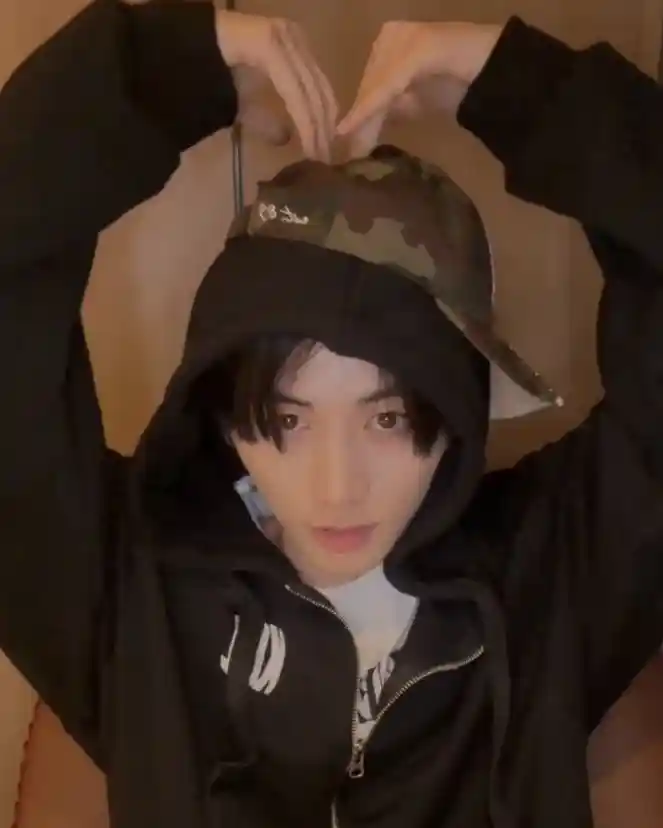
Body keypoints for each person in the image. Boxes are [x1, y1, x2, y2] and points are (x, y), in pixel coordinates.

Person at [1, 2, 662, 828]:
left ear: (456, 410)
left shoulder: (550, 572)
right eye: (287, 420)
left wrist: (524, 89)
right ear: (223, 416)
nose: (336, 487)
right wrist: (163, 69)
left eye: (387, 419)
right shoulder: (129, 588)